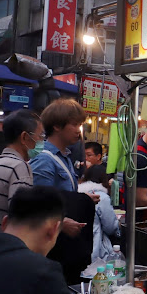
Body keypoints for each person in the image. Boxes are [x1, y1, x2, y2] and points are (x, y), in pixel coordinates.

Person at [30, 99, 95, 236]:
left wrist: (81, 198)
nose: (79, 130)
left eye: (80, 125)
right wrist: (62, 223)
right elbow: (38, 204)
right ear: (57, 126)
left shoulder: (65, 157)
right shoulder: (44, 159)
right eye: (74, 124)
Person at [0, 109, 42, 232]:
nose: (41, 142)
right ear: (25, 137)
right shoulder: (19, 167)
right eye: (40, 136)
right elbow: (21, 218)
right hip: (4, 245)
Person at [78, 165, 121, 261]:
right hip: (95, 251)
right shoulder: (101, 197)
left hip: (77, 248)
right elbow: (110, 227)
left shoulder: (76, 194)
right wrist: (119, 226)